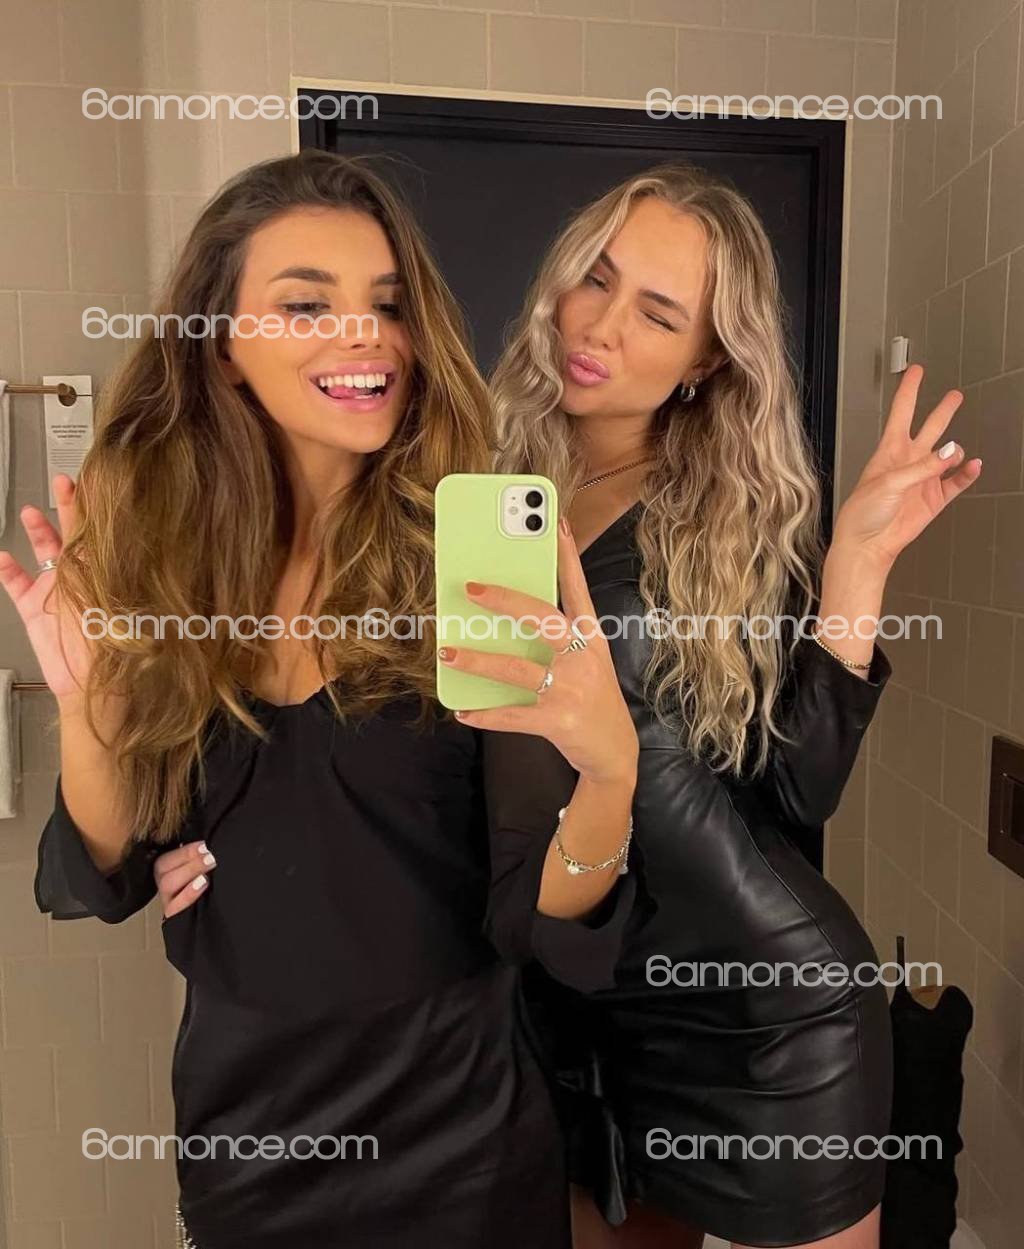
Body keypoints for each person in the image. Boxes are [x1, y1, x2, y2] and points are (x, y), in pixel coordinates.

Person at [13, 151, 640, 1249]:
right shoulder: (164, 566)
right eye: (308, 304)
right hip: (249, 1142)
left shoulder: (470, 570)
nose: (366, 337)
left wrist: (610, 773)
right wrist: (87, 703)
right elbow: (105, 868)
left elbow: (539, 922)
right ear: (221, 343)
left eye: (387, 306)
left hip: (461, 1143)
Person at [481, 163, 982, 1249]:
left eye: (657, 314)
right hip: (578, 1007)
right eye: (597, 277)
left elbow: (798, 789)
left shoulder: (724, 520)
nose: (602, 325)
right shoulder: (487, 486)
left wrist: (855, 567)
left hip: (774, 1020)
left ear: (705, 358)